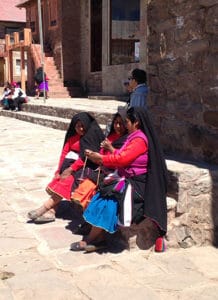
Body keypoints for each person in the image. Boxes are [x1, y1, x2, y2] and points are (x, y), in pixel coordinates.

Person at [70, 107, 168, 252]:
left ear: (136, 123)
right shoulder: (133, 137)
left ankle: (91, 238)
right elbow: (121, 155)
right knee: (102, 190)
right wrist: (106, 153)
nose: (125, 124)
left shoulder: (140, 140)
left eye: (127, 121)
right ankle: (99, 236)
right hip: (127, 177)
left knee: (110, 198)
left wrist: (101, 158)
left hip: (137, 183)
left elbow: (122, 159)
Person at [27, 112, 105, 223]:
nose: (81, 128)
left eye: (83, 125)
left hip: (87, 168)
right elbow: (64, 153)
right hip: (71, 167)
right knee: (61, 179)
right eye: (78, 126)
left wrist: (71, 169)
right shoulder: (72, 138)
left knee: (67, 181)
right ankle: (51, 211)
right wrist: (59, 170)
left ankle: (44, 208)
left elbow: (86, 157)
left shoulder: (91, 138)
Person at [71, 109, 128, 235]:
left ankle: (93, 226)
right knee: (81, 181)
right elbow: (101, 154)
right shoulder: (111, 137)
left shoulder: (127, 140)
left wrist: (110, 149)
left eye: (121, 123)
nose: (117, 126)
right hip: (103, 167)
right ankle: (88, 220)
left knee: (92, 189)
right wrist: (93, 155)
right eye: (116, 123)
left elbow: (122, 158)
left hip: (116, 172)